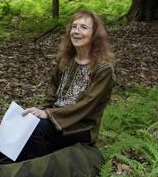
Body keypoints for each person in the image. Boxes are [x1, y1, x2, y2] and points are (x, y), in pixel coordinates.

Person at [19, 10, 115, 160]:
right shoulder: (66, 60)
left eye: (83, 27)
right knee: (24, 122)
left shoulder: (103, 69)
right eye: (74, 26)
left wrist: (49, 115)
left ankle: (38, 171)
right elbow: (52, 91)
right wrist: (41, 110)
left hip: (81, 125)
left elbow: (88, 104)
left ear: (95, 34)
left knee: (36, 130)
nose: (76, 31)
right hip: (55, 117)